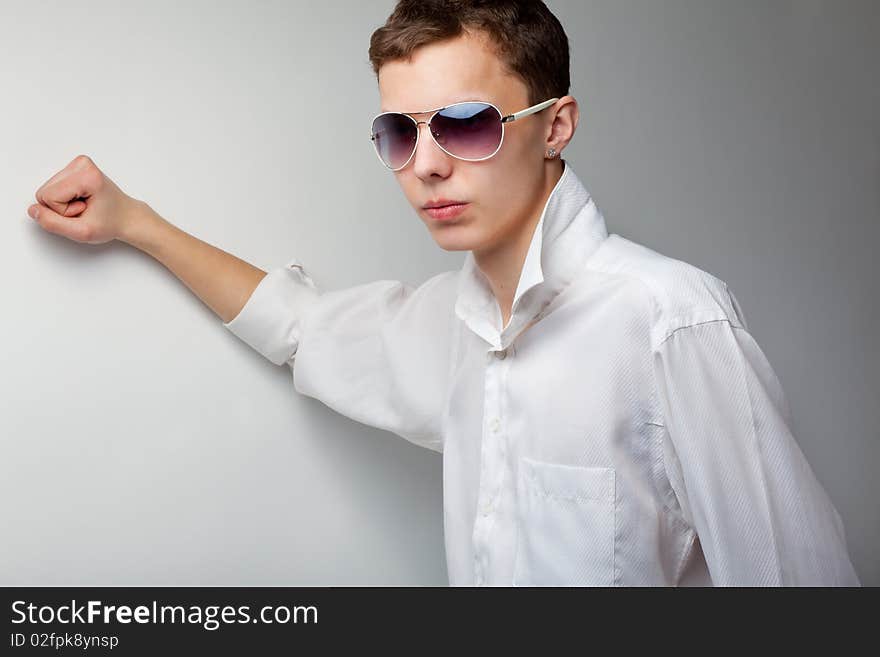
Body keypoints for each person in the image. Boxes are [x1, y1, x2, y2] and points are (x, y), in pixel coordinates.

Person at [27, 0, 859, 586]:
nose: (424, 165)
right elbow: (299, 328)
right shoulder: (444, 327)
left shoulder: (671, 323)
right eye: (398, 132)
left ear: (556, 125)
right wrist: (133, 220)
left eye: (465, 124)